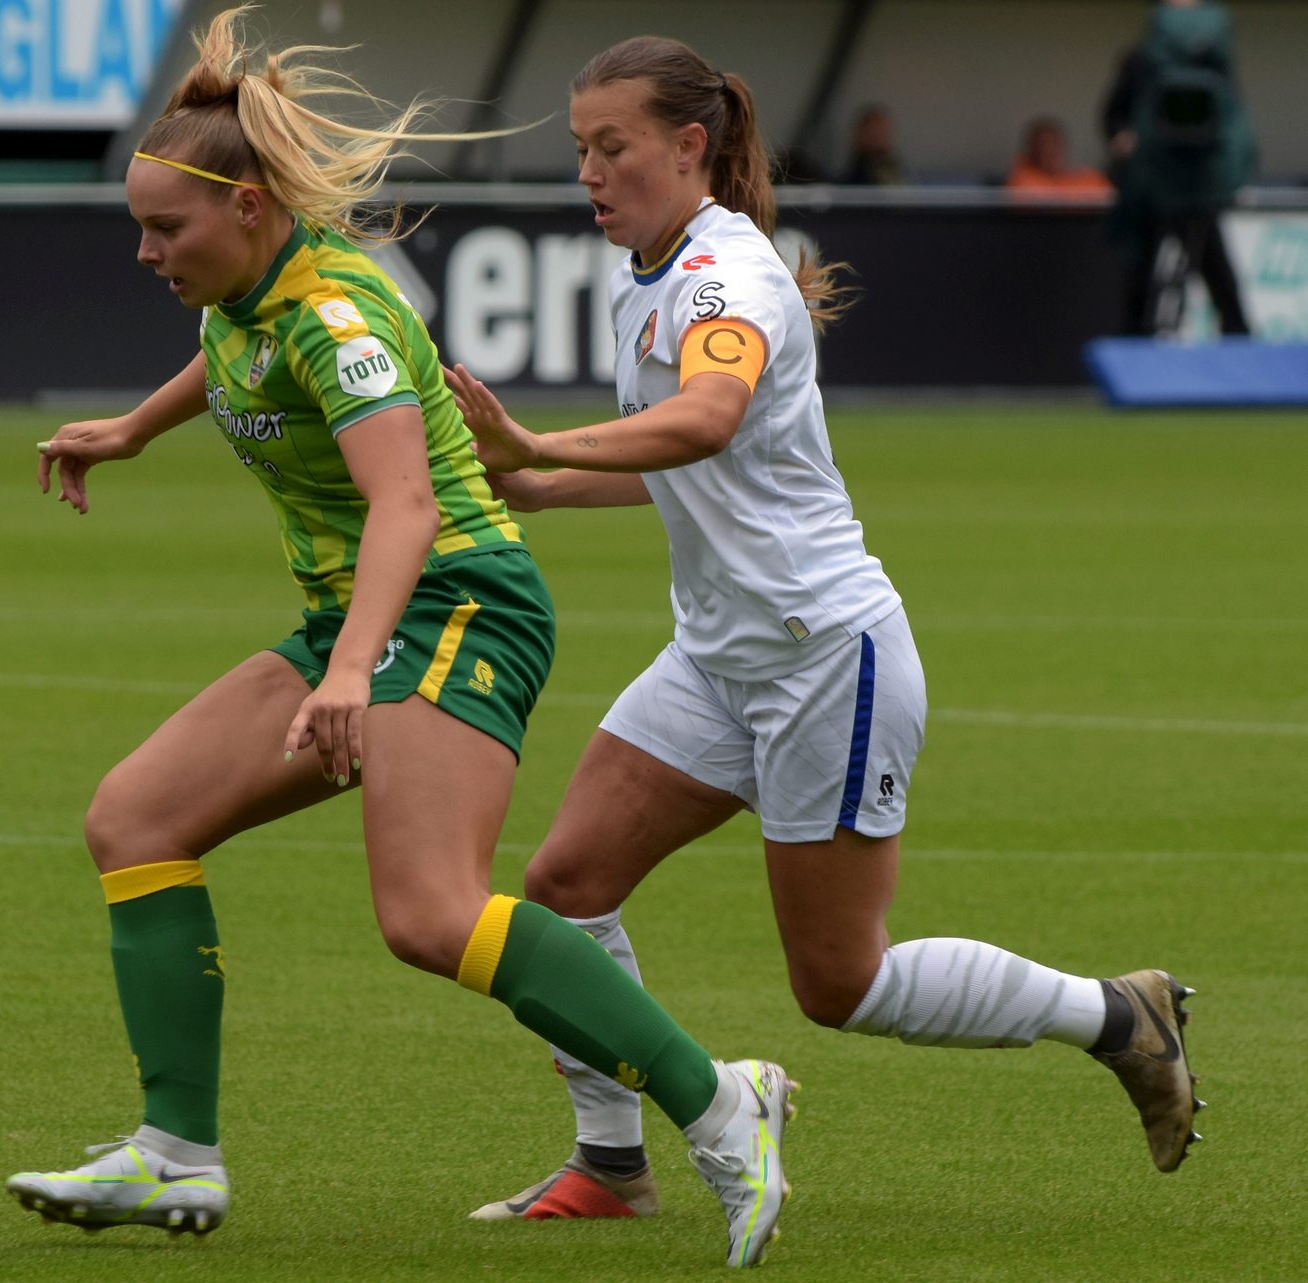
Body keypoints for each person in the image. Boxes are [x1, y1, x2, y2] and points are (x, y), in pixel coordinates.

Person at [5, 8, 794, 1269]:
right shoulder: (250, 292)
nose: (150, 253)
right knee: (135, 819)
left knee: (430, 913)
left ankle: (717, 1097)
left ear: (252, 207)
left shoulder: (342, 319)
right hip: (364, 615)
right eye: (140, 228)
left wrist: (352, 669)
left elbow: (410, 504)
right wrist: (132, 428)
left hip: (456, 599)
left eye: (170, 229)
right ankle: (175, 1153)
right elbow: (227, 359)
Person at [439, 34, 1203, 1231]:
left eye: (613, 147)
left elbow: (709, 413)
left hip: (821, 657)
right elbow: (690, 466)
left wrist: (541, 445)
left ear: (690, 148)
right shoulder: (651, 265)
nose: (588, 171)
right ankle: (611, 1163)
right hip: (720, 655)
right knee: (567, 882)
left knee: (839, 982)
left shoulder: (722, 278)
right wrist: (537, 486)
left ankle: (1118, 1014)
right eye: (579, 149)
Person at [1100, 0, 1254, 335]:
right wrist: (1123, 138)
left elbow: (1232, 128)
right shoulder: (1141, 61)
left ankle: (1241, 349)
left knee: (1218, 277)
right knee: (1143, 277)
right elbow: (1114, 115)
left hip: (1199, 188)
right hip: (1153, 187)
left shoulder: (1216, 66)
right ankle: (1135, 357)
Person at [1004, 117, 1113, 193]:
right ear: (1031, 150)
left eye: (1055, 143)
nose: (1050, 150)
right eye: (1043, 144)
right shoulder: (1022, 180)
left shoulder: (1088, 179)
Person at [837, 105, 906, 185]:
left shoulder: (894, 167)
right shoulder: (856, 176)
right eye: (874, 135)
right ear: (858, 136)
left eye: (883, 134)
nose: (880, 138)